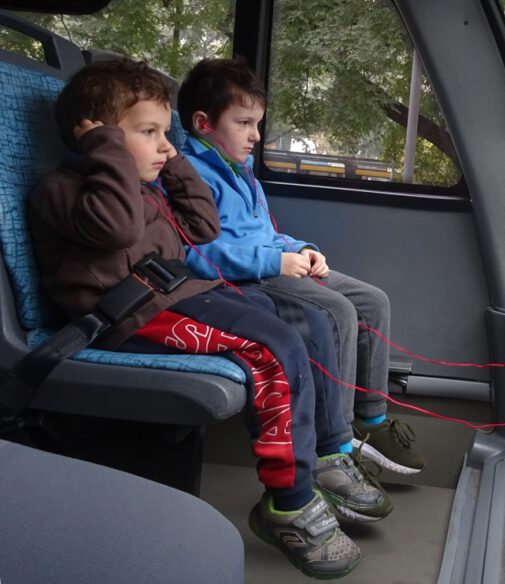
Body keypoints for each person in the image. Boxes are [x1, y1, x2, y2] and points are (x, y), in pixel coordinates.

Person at [29, 58, 361, 579]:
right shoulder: (65, 191)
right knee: (272, 347)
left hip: (178, 297)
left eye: (168, 134)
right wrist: (110, 151)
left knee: (293, 321)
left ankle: (322, 454)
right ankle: (289, 502)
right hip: (126, 317)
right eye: (149, 133)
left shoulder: (146, 187)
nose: (165, 145)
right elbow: (115, 231)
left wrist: (174, 157)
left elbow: (203, 227)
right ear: (96, 140)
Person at [176, 58, 424, 483]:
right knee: (337, 312)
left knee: (372, 301)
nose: (256, 135)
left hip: (276, 260)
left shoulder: (242, 172)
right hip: (248, 276)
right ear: (203, 123)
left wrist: (302, 249)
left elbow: (267, 232)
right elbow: (197, 252)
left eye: (257, 123)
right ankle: (337, 447)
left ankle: (371, 418)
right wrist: (276, 261)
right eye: (244, 123)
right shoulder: (188, 175)